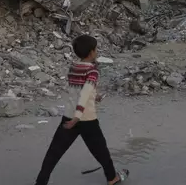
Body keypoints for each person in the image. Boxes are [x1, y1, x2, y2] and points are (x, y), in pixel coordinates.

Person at [34, 34, 129, 185]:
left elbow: (79, 90)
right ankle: (112, 178)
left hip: (68, 116)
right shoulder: (92, 71)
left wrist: (95, 96)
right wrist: (77, 117)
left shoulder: (73, 67)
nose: (97, 51)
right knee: (101, 151)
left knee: (54, 153)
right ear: (91, 52)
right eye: (96, 49)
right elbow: (84, 94)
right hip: (85, 119)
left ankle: (41, 182)